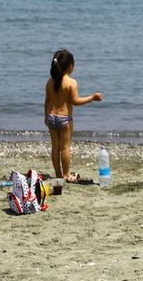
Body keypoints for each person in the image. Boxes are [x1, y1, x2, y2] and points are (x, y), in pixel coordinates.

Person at [44, 49, 103, 182]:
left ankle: (58, 173)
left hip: (51, 116)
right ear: (70, 66)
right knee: (65, 147)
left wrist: (45, 116)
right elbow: (75, 101)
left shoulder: (50, 82)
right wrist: (92, 97)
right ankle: (66, 174)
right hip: (64, 119)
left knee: (55, 146)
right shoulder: (71, 83)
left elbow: (47, 101)